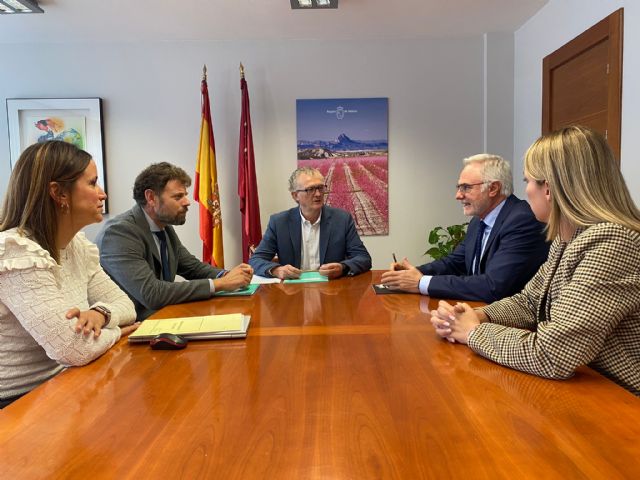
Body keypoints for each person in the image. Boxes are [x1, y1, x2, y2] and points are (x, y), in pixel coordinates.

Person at [430, 126, 640, 396]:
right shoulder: (569, 238)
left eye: (528, 180)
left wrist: (472, 332)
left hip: (620, 407)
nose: (525, 190)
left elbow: (553, 354)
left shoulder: (612, 242)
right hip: (588, 389)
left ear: (549, 189)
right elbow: (530, 302)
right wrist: (479, 316)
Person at [0, 141, 138, 408]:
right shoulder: (15, 253)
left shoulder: (77, 247)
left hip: (62, 385)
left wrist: (101, 314)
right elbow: (73, 349)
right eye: (92, 183)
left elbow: (127, 306)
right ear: (58, 193)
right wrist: (118, 332)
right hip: (15, 405)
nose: (103, 194)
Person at [381, 154, 549, 302]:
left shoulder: (522, 220)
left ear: (493, 188)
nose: (458, 195)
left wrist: (420, 282)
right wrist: (411, 273)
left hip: (508, 324)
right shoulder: (479, 221)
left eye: (466, 187)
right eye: (459, 187)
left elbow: (494, 286)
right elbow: (455, 262)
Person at [96, 162, 253, 320]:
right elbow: (152, 294)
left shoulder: (164, 228)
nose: (187, 202)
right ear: (151, 198)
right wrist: (220, 284)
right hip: (129, 330)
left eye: (185, 195)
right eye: (178, 196)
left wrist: (227, 275)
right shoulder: (119, 233)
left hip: (160, 319)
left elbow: (192, 268)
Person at [249, 167, 371, 279]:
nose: (318, 194)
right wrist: (277, 270)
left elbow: (363, 258)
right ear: (295, 195)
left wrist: (342, 267)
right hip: (293, 291)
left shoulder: (342, 219)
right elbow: (256, 260)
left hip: (332, 291)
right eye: (310, 189)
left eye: (320, 188)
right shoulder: (279, 223)